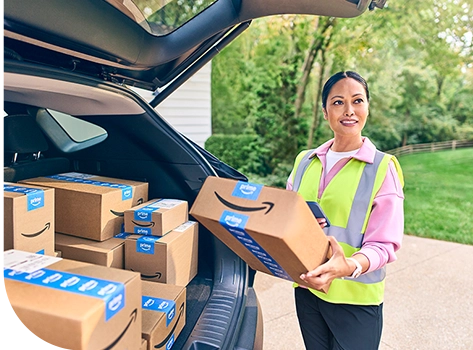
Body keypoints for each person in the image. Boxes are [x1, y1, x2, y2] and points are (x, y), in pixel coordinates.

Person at [286, 71, 405, 350]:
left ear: (367, 108)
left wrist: (349, 266)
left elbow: (384, 245)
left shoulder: (381, 168)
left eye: (358, 101)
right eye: (338, 102)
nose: (349, 110)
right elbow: (287, 220)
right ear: (325, 112)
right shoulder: (305, 161)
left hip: (355, 299)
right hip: (308, 290)